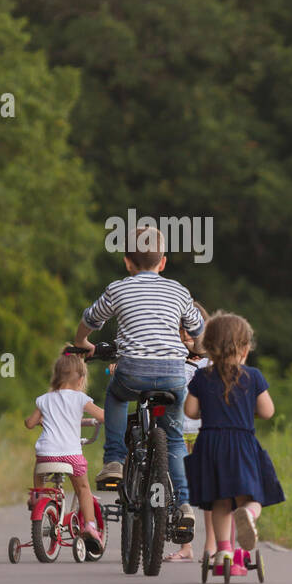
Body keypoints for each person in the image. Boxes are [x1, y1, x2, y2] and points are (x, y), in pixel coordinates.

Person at [72, 225, 204, 528]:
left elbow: (90, 319)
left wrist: (82, 343)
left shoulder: (118, 288)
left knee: (116, 396)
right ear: (163, 262)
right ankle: (183, 504)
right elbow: (198, 332)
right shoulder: (179, 291)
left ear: (127, 262)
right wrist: (195, 349)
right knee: (173, 439)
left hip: (132, 371)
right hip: (172, 375)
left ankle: (115, 460)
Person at [184, 311, 284, 578]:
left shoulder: (202, 377)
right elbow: (267, 412)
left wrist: (209, 407)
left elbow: (190, 411)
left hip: (210, 445)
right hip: (242, 444)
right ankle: (249, 515)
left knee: (219, 501)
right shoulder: (252, 376)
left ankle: (224, 551)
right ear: (244, 347)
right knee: (252, 496)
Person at [24, 352, 105, 551]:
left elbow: (29, 423)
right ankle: (90, 526)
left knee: (39, 464)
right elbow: (103, 416)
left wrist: (43, 421)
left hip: (47, 453)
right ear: (80, 379)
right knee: (84, 489)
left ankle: (38, 496)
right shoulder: (80, 398)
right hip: (71, 455)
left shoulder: (44, 399)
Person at [166, 303, 209, 564]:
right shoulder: (170, 357)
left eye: (190, 332)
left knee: (207, 487)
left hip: (202, 430)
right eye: (179, 332)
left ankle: (214, 545)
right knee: (179, 489)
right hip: (178, 430)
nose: (184, 338)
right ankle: (186, 546)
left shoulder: (209, 361)